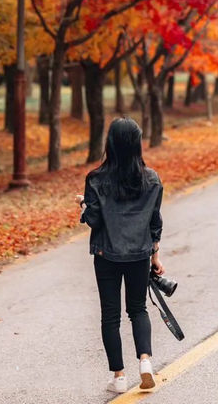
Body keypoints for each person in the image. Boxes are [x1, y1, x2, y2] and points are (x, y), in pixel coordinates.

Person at [78, 117, 164, 394]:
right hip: (139, 253)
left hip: (107, 254)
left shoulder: (96, 179)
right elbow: (154, 221)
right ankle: (146, 362)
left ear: (110, 144)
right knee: (138, 309)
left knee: (110, 315)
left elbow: (94, 220)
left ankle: (119, 377)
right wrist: (155, 257)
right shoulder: (151, 179)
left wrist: (84, 203)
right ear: (137, 144)